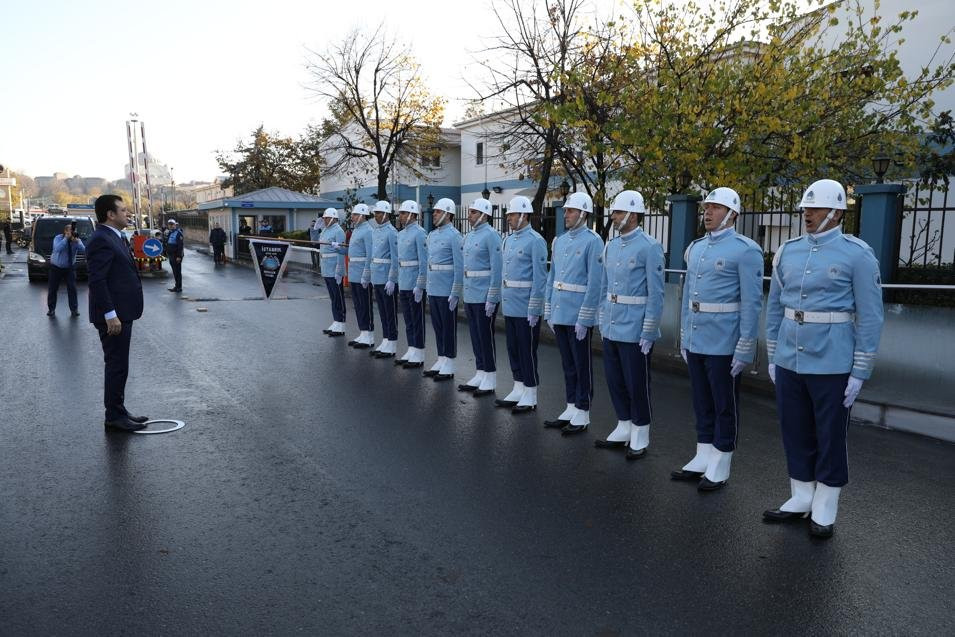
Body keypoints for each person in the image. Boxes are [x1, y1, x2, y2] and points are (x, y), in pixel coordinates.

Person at [763, 178, 884, 538]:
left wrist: (860, 370)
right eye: (805, 208)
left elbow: (871, 315)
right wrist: (772, 353)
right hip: (789, 357)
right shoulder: (788, 250)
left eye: (814, 208)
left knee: (830, 435)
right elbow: (775, 307)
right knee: (794, 428)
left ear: (836, 213)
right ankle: (801, 495)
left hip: (832, 361)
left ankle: (826, 504)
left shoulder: (857, 254)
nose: (807, 213)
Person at [671, 187, 763, 491]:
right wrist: (684, 334)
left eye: (716, 208)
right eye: (707, 207)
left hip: (725, 339)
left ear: (732, 214)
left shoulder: (745, 250)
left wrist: (745, 345)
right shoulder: (696, 248)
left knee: (725, 403)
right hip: (697, 335)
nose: (708, 213)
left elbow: (751, 302)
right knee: (701, 399)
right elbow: (687, 297)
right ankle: (703, 453)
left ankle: (722, 459)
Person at [593, 190, 665, 459]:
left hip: (635, 326)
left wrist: (649, 329)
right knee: (615, 380)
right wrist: (602, 317)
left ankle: (641, 431)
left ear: (633, 215)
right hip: (612, 322)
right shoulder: (610, 246)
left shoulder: (649, 246)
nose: (614, 216)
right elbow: (603, 286)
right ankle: (623, 424)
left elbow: (656, 294)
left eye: (619, 212)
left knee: (637, 383)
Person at [544, 192, 604, 434]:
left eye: (570, 211)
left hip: (578, 313)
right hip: (560, 310)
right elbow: (552, 277)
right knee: (567, 363)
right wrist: (548, 308)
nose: (565, 214)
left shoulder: (593, 241)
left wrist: (586, 316)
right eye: (565, 210)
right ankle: (570, 405)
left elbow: (595, 283)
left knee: (581, 364)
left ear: (583, 214)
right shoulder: (559, 241)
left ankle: (583, 409)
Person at [87, 194, 148, 432]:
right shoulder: (101, 239)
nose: (128, 213)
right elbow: (97, 280)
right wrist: (110, 314)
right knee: (116, 364)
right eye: (123, 210)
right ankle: (113, 415)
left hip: (123, 311)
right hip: (113, 316)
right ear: (110, 215)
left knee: (120, 364)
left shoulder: (116, 236)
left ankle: (119, 409)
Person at [494, 196, 548, 412]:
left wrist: (535, 308)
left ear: (524, 215)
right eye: (508, 215)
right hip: (511, 305)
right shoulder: (508, 240)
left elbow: (540, 277)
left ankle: (531, 392)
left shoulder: (536, 240)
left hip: (526, 307)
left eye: (512, 214)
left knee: (527, 350)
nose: (508, 218)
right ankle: (518, 386)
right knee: (513, 348)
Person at [458, 198, 503, 396]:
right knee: (475, 336)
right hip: (470, 292)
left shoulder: (492, 236)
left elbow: (497, 268)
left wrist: (492, 297)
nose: (469, 215)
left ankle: (490, 376)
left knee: (485, 336)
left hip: (484, 294)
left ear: (484, 215)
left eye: (473, 212)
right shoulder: (468, 236)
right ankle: (480, 371)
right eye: (469, 212)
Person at [423, 198, 464, 380]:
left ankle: (450, 361)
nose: (434, 215)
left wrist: (455, 291)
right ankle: (441, 358)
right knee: (438, 326)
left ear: (448, 214)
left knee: (448, 327)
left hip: (447, 289)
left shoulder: (455, 236)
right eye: (434, 212)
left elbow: (459, 265)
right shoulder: (432, 235)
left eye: (438, 212)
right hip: (434, 287)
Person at [395, 200, 428, 368]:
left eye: (403, 213)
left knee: (417, 319)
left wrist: (420, 284)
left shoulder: (420, 233)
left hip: (414, 281)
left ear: (412, 215)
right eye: (400, 213)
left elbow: (424, 261)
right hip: (404, 281)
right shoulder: (401, 234)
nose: (400, 217)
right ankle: (411, 348)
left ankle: (419, 351)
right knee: (408, 319)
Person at [369, 201, 401, 358]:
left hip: (387, 277)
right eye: (375, 213)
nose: (376, 216)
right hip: (377, 276)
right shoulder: (375, 231)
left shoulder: (392, 232)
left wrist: (392, 279)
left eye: (379, 213)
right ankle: (386, 339)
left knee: (390, 312)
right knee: (382, 311)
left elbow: (395, 258)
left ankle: (393, 342)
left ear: (386, 214)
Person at [346, 204, 376, 348]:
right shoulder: (357, 230)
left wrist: (366, 273)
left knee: (365, 305)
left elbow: (370, 254)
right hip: (354, 272)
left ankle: (369, 335)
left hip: (362, 272)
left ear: (363, 216)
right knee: (358, 305)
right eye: (352, 215)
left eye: (355, 215)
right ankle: (363, 332)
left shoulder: (368, 231)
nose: (352, 217)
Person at [47, 222, 85, 317]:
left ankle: (74, 309)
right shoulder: (58, 238)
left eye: (73, 232)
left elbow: (85, 251)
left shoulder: (76, 240)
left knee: (72, 289)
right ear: (65, 231)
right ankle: (51, 309)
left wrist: (78, 242)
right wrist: (66, 239)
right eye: (70, 232)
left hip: (69, 268)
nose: (72, 233)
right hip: (56, 267)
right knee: (53, 289)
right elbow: (57, 249)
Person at [318, 208, 347, 336]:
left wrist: (339, 269)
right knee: (333, 297)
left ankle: (341, 324)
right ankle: (336, 321)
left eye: (327, 218)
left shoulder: (338, 231)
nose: (325, 220)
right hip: (326, 267)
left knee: (338, 297)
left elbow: (342, 252)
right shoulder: (325, 230)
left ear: (334, 219)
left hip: (334, 267)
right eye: (324, 218)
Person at [165, 219, 184, 292]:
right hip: (171, 255)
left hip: (176, 256)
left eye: (172, 224)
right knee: (174, 271)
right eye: (169, 224)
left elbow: (180, 246)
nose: (171, 226)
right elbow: (167, 243)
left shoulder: (179, 233)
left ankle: (179, 287)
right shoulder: (170, 233)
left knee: (177, 272)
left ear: (175, 225)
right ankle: (176, 286)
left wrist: (179, 256)